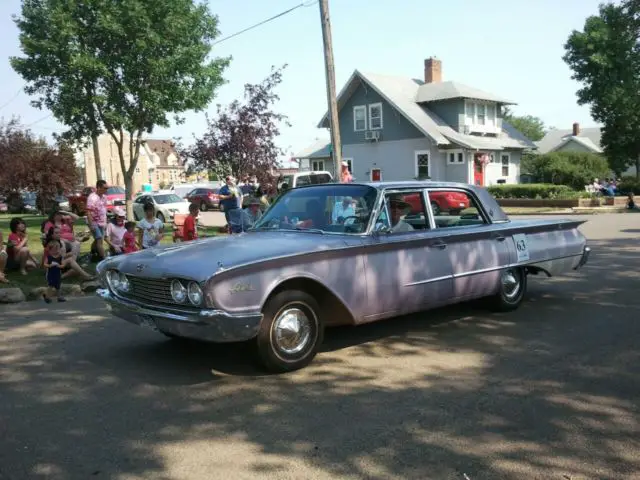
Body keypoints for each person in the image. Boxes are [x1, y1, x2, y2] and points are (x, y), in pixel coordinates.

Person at [86, 179, 109, 260]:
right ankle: (105, 258)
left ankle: (92, 252)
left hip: (102, 222)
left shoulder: (104, 197)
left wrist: (106, 222)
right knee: (99, 239)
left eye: (107, 188)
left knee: (98, 239)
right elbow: (88, 212)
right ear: (98, 187)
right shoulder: (92, 198)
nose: (106, 190)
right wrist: (91, 224)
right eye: (105, 188)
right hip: (94, 222)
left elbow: (104, 210)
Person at [42, 238, 66, 303]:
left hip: (58, 274)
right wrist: (49, 265)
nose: (56, 251)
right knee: (51, 285)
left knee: (58, 286)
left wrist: (60, 266)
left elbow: (63, 264)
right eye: (54, 250)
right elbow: (45, 264)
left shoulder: (60, 257)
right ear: (50, 251)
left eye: (58, 249)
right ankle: (47, 296)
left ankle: (59, 297)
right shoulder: (49, 257)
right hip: (51, 274)